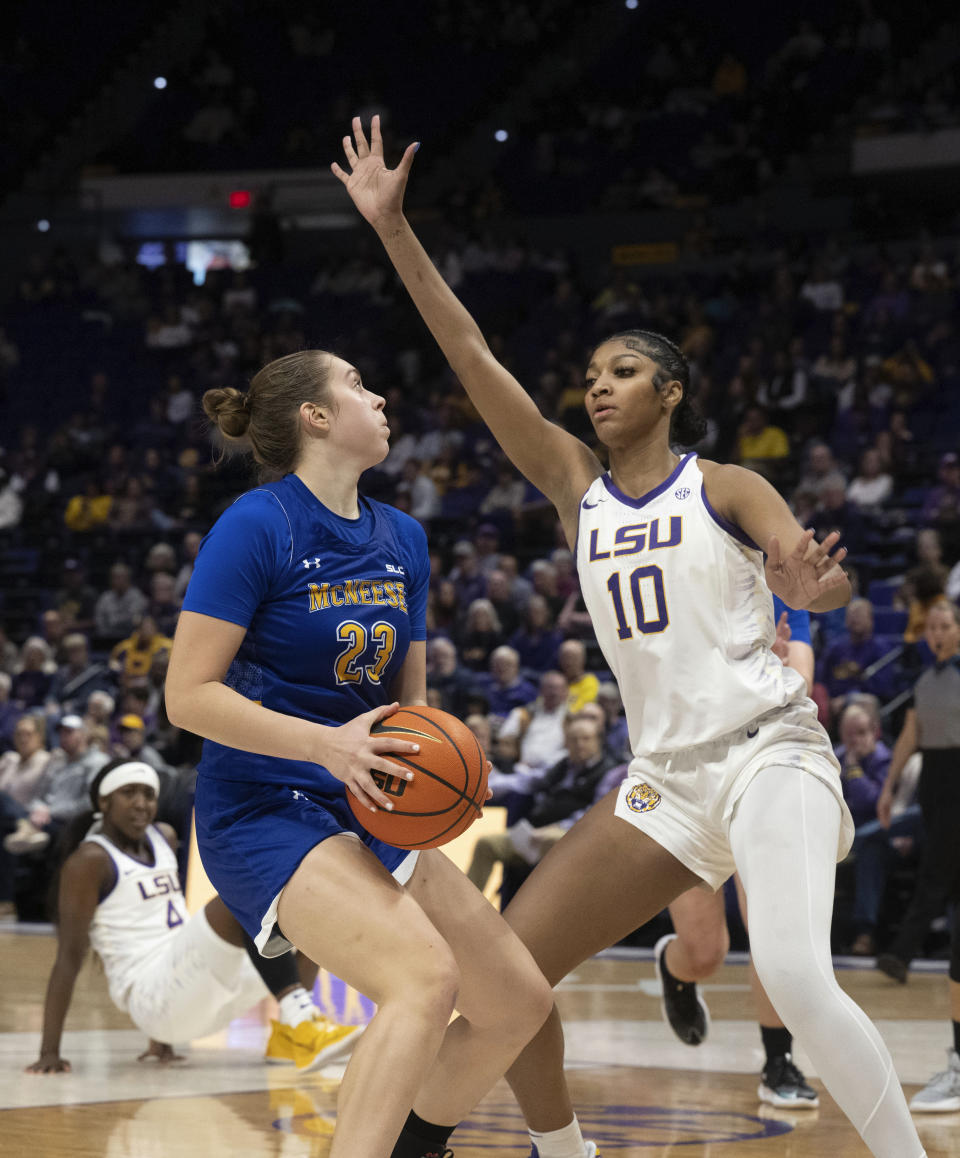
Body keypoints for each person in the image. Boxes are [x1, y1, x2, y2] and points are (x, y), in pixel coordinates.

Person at [336, 116, 925, 1158]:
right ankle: (558, 1150)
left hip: (768, 752)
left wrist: (815, 588)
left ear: (671, 392)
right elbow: (469, 351)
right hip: (665, 779)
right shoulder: (576, 489)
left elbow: (815, 583)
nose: (598, 386)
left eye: (622, 373)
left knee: (790, 972)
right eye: (592, 376)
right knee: (508, 975)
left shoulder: (728, 485)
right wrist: (393, 231)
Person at [163, 347, 553, 1158]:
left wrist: (443, 770)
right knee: (422, 978)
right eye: (358, 384)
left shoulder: (403, 537)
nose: (379, 397)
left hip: (365, 797)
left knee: (517, 1001)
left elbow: (409, 709)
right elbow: (188, 696)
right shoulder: (257, 523)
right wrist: (325, 746)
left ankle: (414, 1145)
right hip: (264, 803)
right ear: (315, 417)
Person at [26, 759, 358, 1075]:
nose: (141, 804)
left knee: (307, 921)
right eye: (129, 794)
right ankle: (302, 1024)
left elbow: (164, 929)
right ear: (104, 802)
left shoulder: (164, 836)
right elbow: (69, 957)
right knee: (240, 896)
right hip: (152, 997)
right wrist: (49, 1053)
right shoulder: (90, 860)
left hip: (189, 993)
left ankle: (289, 1036)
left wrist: (163, 1038)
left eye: (148, 794)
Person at [652, 598, 821, 1109]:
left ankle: (778, 1060)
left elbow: (801, 682)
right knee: (706, 954)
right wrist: (756, 668)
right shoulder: (681, 567)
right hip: (684, 771)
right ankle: (676, 968)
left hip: (761, 766)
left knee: (770, 930)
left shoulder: (779, 586)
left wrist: (763, 668)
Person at [874, 601, 960, 1112]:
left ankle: (902, 952)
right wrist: (889, 789)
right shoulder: (925, 679)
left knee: (938, 878)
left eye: (946, 626)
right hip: (937, 782)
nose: (939, 633)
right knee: (944, 881)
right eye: (932, 628)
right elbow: (910, 734)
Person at [467, 714, 617, 895]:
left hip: (573, 835)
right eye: (573, 739)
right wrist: (482, 784)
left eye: (585, 739)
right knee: (487, 844)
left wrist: (556, 828)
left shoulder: (610, 772)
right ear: (566, 743)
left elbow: (597, 812)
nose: (579, 744)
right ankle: (463, 907)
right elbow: (527, 781)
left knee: (551, 839)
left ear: (598, 741)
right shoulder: (562, 765)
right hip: (536, 832)